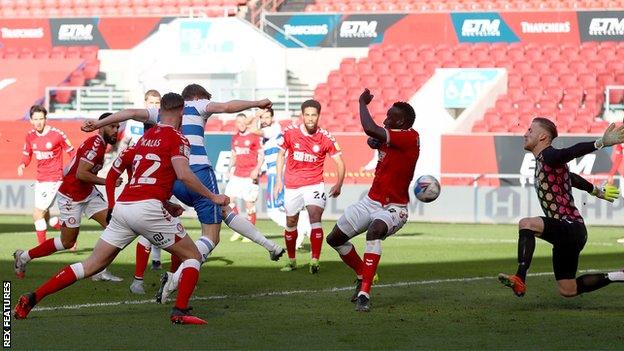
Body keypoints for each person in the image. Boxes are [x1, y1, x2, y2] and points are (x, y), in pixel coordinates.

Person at [14, 92, 229, 325]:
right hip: (147, 210)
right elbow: (185, 175)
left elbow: (134, 175)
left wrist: (162, 202)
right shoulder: (178, 138)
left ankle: (32, 298)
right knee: (193, 256)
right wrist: (213, 196)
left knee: (91, 265)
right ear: (181, 113)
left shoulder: (143, 140)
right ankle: (180, 311)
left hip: (125, 207)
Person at [82, 84, 285, 302]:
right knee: (211, 236)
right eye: (208, 97)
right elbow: (227, 107)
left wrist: (99, 123)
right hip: (196, 172)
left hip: (173, 176)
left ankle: (270, 246)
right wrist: (257, 103)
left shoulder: (161, 112)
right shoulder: (198, 105)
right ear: (198, 96)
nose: (209, 101)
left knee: (222, 210)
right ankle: (175, 277)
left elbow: (130, 113)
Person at [498, 117, 624, 298]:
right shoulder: (547, 162)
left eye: (530, 131)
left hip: (569, 226)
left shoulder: (549, 155)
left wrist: (600, 143)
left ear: (542, 137)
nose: (525, 134)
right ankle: (618, 275)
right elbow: (572, 178)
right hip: (571, 232)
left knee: (527, 223)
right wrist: (597, 191)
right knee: (568, 289)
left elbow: (570, 152)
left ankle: (520, 277)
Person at [326, 89, 419, 312]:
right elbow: (374, 139)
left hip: (395, 208)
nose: (385, 120)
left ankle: (364, 293)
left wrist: (361, 103)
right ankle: (362, 273)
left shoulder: (409, 137)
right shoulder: (391, 136)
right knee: (334, 239)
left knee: (375, 230)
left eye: (390, 117)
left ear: (402, 121)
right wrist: (374, 142)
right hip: (370, 201)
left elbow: (370, 129)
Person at [13, 113, 123, 282]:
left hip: (87, 193)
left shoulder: (100, 144)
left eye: (117, 127)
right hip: (71, 196)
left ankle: (98, 270)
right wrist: (108, 180)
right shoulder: (95, 144)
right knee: (67, 242)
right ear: (101, 127)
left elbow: (74, 168)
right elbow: (81, 173)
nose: (115, 130)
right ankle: (24, 257)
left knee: (113, 225)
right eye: (112, 126)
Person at [274, 99, 346, 274]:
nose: (310, 118)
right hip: (292, 185)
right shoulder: (290, 133)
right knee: (291, 221)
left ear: (318, 116)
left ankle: (315, 260)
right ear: (302, 115)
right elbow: (281, 155)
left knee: (315, 217)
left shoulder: (326, 138)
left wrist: (339, 183)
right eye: (307, 115)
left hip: (314, 184)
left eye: (314, 115)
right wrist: (278, 180)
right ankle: (292, 261)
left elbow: (340, 163)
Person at [248, 108, 311, 246]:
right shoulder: (266, 136)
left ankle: (299, 227)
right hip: (276, 173)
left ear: (272, 118)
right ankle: (303, 222)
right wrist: (259, 169)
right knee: (284, 206)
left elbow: (252, 129)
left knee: (273, 211)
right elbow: (266, 154)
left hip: (278, 174)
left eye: (266, 117)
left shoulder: (274, 129)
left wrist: (256, 116)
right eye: (262, 118)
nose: (264, 120)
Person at [118, 90, 164, 271]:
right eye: (151, 102)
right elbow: (125, 144)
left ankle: (156, 259)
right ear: (145, 103)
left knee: (158, 214)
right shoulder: (134, 122)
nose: (154, 106)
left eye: (157, 103)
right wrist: (121, 160)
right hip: (135, 178)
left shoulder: (162, 123)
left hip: (156, 177)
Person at [18, 105, 75, 244]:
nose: (38, 122)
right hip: (40, 179)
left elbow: (72, 152)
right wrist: (22, 164)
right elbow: (27, 154)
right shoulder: (30, 136)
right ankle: (67, 233)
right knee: (47, 217)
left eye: (41, 119)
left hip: (54, 178)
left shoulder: (57, 134)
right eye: (35, 119)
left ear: (46, 119)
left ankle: (41, 248)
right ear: (31, 120)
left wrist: (73, 170)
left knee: (37, 214)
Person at [225, 113, 263, 242]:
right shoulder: (235, 138)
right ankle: (238, 229)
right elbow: (234, 155)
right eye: (238, 122)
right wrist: (229, 169)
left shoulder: (254, 136)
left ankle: (250, 233)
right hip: (237, 174)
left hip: (249, 175)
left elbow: (261, 155)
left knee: (249, 204)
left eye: (243, 122)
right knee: (228, 201)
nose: (240, 124)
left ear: (246, 122)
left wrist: (257, 169)